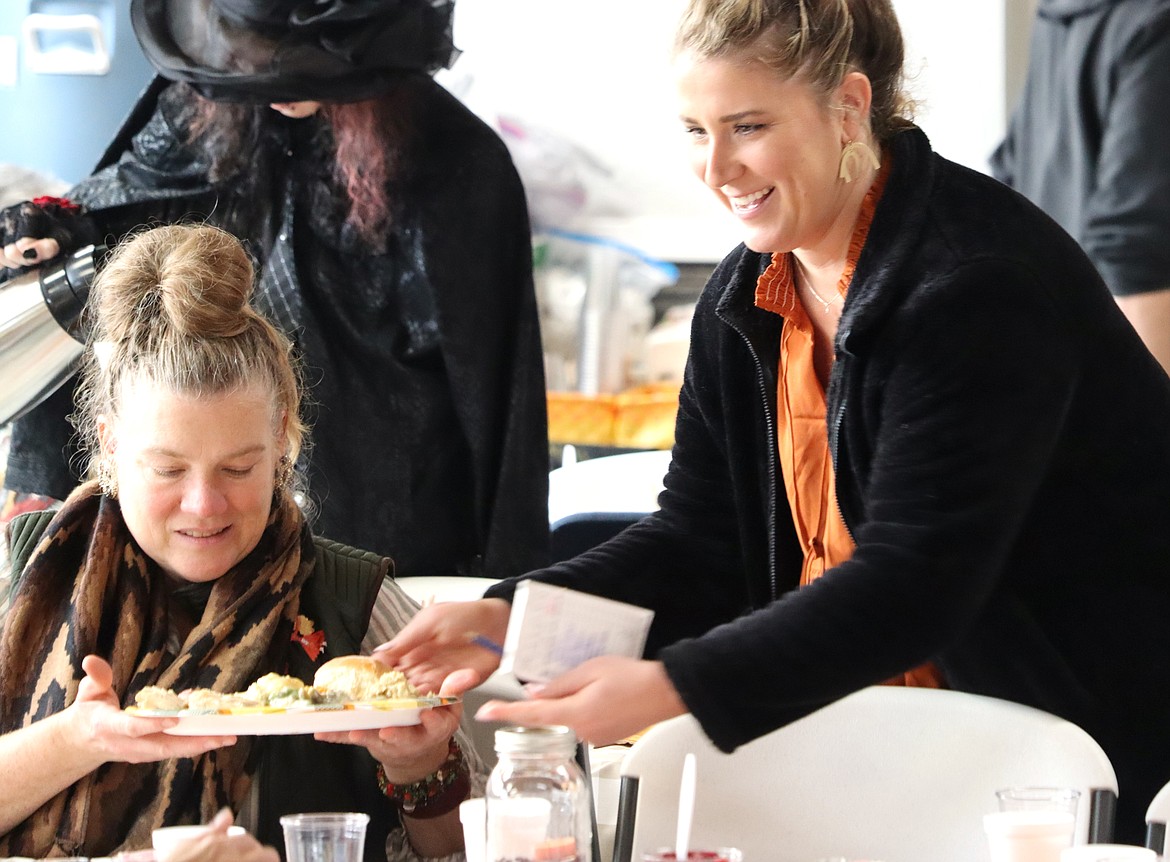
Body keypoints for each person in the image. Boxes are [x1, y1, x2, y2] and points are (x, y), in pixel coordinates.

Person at [377, 0, 1170, 844]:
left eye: (747, 126)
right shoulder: (742, 297)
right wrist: (517, 618)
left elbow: (912, 585)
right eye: (693, 130)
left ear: (850, 108)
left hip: (1067, 751)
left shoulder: (976, 287)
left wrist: (673, 687)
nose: (716, 167)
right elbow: (698, 538)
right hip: (887, 743)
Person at [0, 0, 550, 579]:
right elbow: (118, 217)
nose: (273, 85)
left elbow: (504, 406)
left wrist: (511, 594)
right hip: (213, 524)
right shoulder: (205, 111)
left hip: (391, 528)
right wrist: (51, 228)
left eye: (299, 64)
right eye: (253, 55)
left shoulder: (458, 169)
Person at [0, 224, 483, 860]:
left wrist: (422, 766)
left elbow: (468, 848)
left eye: (238, 469)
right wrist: (78, 740)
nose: (204, 506)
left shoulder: (356, 605)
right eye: (168, 470)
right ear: (111, 444)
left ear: (282, 440)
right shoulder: (21, 573)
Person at [990, 0, 1170, 374]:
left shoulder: (1059, 12)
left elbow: (1009, 177)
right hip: (1129, 360)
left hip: (1058, 352)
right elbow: (1135, 246)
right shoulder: (1156, 23)